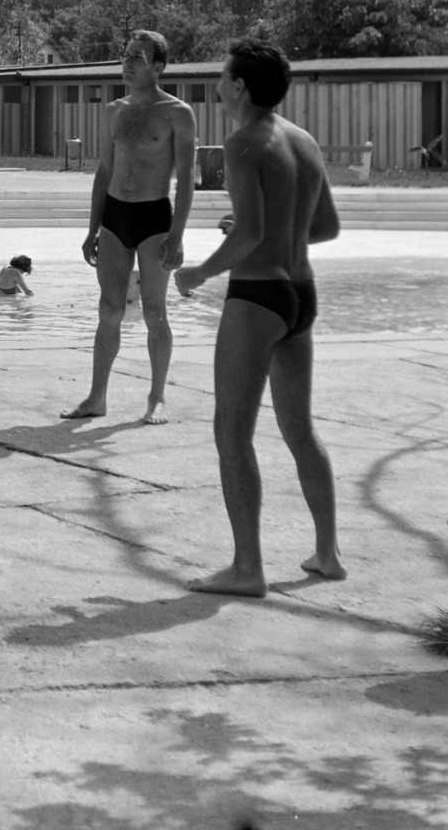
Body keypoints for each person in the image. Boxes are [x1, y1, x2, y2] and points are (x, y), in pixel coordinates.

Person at [175, 39, 345, 597]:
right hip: (301, 294)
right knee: (300, 431)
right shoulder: (303, 140)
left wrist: (198, 273)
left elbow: (248, 235)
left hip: (258, 298)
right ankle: (327, 554)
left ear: (241, 86)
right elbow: (324, 228)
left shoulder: (242, 143)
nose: (218, 86)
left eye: (223, 77)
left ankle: (247, 568)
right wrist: (261, 232)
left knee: (232, 431)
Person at [62, 31, 196, 426]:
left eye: (139, 56)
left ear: (158, 66)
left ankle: (157, 398)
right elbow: (105, 170)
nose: (129, 62)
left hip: (155, 217)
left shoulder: (178, 113)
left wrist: (178, 234)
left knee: (155, 312)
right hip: (115, 217)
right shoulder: (114, 110)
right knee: (110, 308)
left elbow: (187, 178)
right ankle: (97, 396)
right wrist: (92, 228)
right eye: (126, 55)